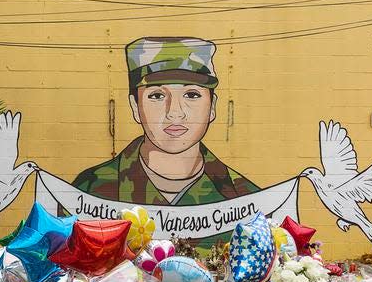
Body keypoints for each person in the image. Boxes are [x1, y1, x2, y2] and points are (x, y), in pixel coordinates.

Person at [72, 37, 258, 206]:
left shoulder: (243, 198)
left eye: (192, 94)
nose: (175, 112)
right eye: (157, 95)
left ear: (212, 106)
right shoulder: (89, 190)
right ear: (135, 107)